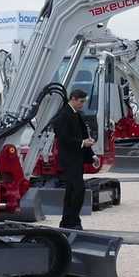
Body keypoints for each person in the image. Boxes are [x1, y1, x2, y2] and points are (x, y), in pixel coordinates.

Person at [51, 89, 95, 230]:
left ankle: (67, 221)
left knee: (72, 190)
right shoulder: (63, 115)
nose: (82, 104)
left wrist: (92, 155)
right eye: (81, 102)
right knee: (78, 189)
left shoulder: (76, 115)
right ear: (73, 99)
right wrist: (83, 144)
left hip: (76, 159)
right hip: (69, 160)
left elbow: (82, 136)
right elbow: (63, 139)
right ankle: (73, 220)